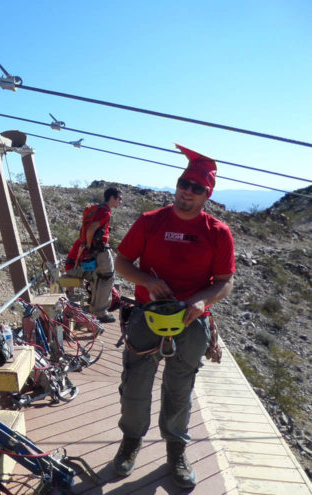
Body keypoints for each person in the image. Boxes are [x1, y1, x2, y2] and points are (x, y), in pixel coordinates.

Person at [111, 144, 235, 488]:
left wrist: (201, 301)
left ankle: (176, 449)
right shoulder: (151, 222)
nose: (187, 192)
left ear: (206, 194)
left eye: (196, 188)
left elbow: (225, 282)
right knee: (135, 385)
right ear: (177, 184)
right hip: (147, 316)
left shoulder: (218, 233)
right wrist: (148, 281)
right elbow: (122, 262)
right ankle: (131, 442)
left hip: (191, 322)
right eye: (184, 183)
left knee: (180, 387)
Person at [64, 187, 122, 323]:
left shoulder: (100, 209)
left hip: (95, 250)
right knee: (107, 278)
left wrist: (88, 246)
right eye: (119, 198)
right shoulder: (105, 212)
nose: (120, 201)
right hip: (100, 250)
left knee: (99, 278)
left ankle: (95, 309)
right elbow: (91, 229)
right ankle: (100, 312)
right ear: (112, 198)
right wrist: (89, 245)